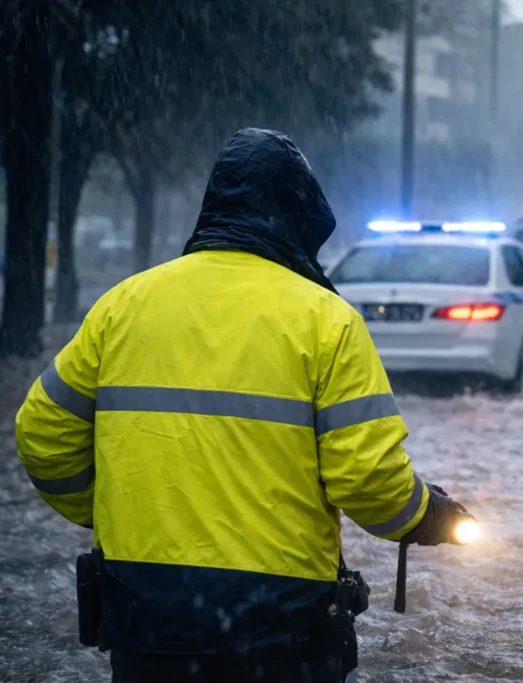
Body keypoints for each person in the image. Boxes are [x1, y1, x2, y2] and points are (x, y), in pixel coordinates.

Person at [15, 128, 471, 682]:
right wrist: (431, 516)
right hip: (283, 625)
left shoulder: (122, 306)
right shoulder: (327, 321)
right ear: (301, 218)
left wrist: (118, 509)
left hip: (146, 616)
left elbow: (41, 435)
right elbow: (369, 481)